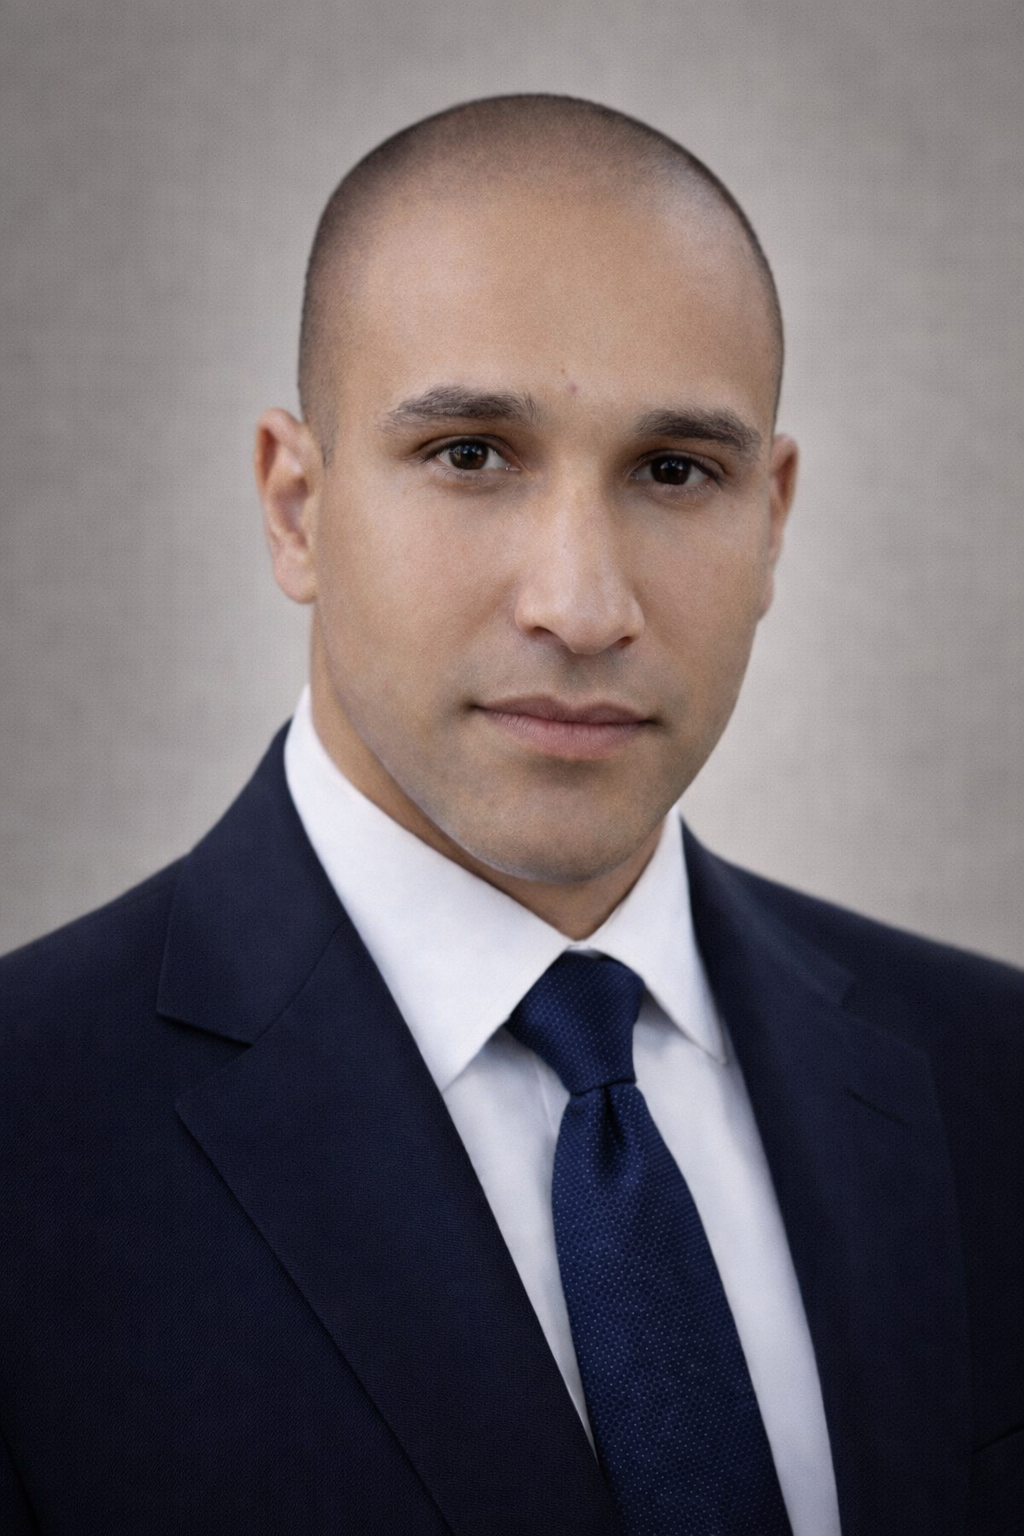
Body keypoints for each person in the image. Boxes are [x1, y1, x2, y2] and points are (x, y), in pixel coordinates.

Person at [0, 94, 1020, 1536]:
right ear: (295, 506)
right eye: (471, 454)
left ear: (772, 519)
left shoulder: (996, 1080)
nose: (583, 606)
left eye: (676, 471)